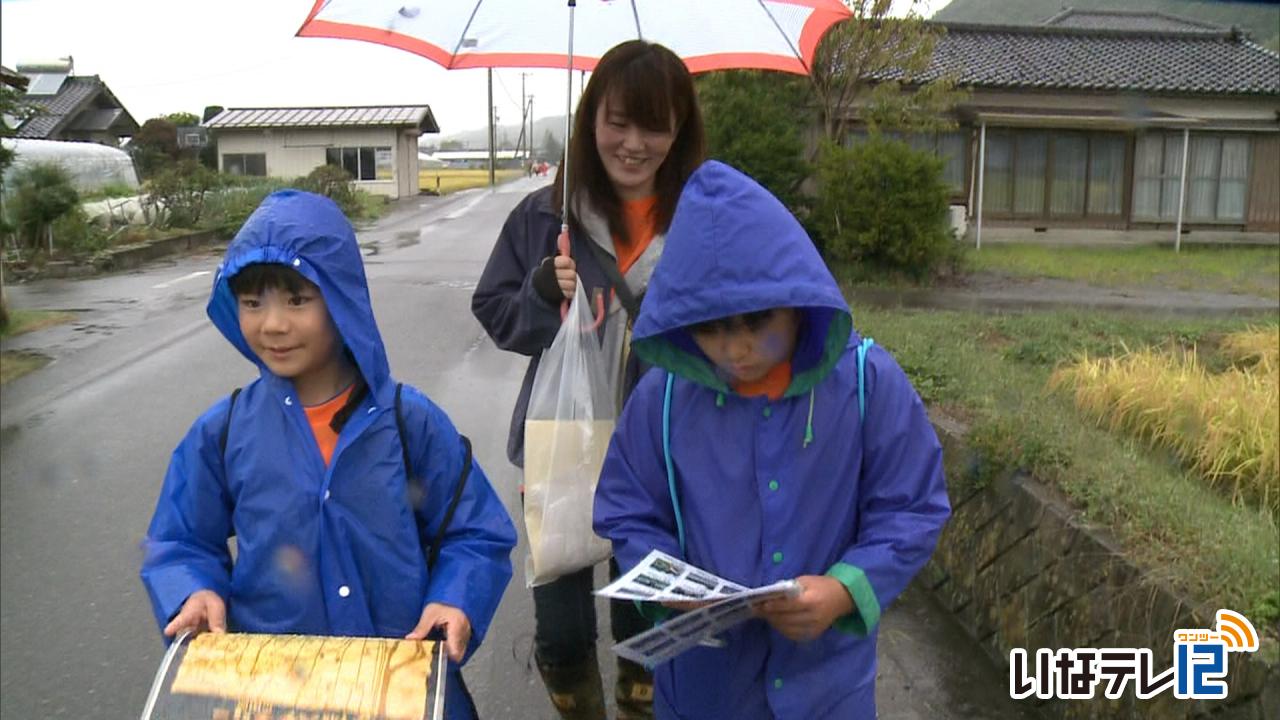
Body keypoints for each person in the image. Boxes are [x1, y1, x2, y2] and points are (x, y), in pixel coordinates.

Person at [593, 160, 952, 720]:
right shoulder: (662, 399)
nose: (735, 349)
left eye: (756, 321)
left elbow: (911, 507)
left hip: (828, 689)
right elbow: (627, 509)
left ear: (797, 301)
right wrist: (664, 584)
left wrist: (844, 590)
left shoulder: (865, 383)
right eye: (708, 328)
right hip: (704, 692)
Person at [140, 190, 517, 720]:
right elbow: (180, 539)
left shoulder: (410, 423)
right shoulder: (224, 431)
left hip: (399, 685)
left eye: (297, 299)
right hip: (274, 692)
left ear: (341, 299)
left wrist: (457, 599)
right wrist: (192, 591)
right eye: (253, 302)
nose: (272, 324)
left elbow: (476, 533)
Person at [471, 39, 705, 720]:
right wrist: (543, 292)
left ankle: (642, 709)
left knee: (647, 612)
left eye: (655, 125)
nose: (633, 144)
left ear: (679, 130)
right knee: (564, 627)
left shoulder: (700, 218)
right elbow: (495, 312)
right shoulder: (547, 217)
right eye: (618, 122)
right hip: (560, 444)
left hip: (664, 449)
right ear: (590, 120)